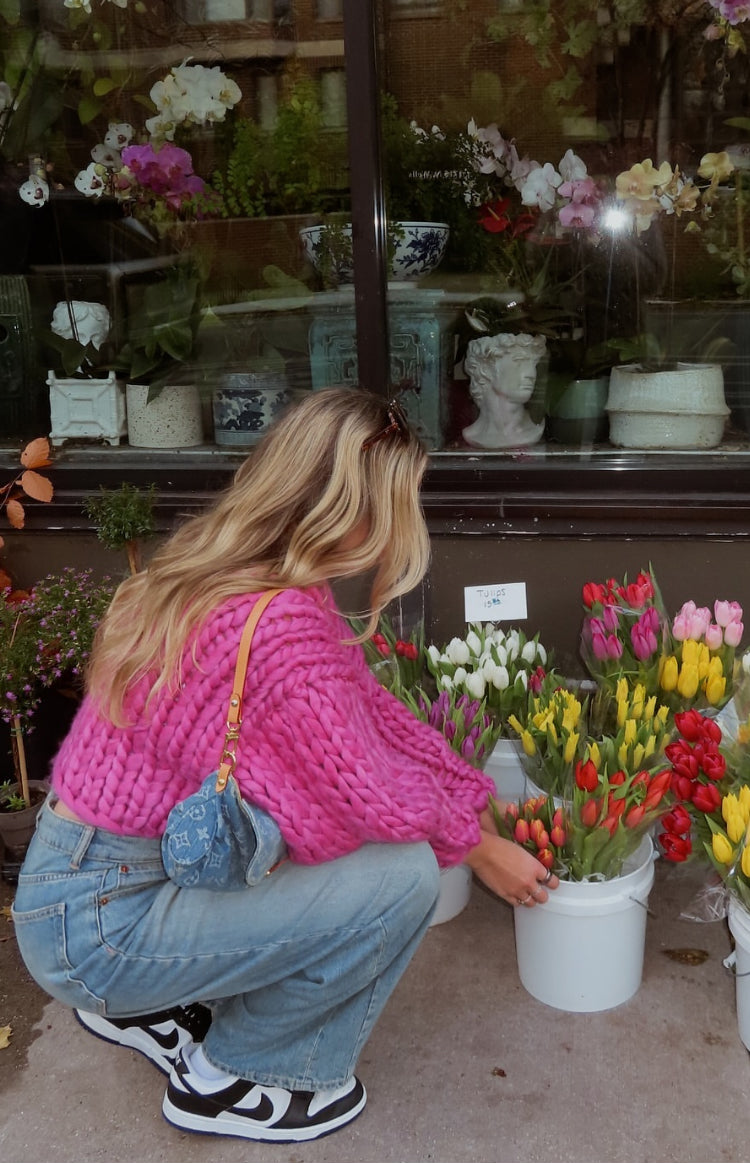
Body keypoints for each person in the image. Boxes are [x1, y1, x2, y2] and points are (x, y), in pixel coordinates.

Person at [12, 387, 558, 1145]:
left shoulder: (221, 566)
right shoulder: (277, 625)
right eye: (397, 503)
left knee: (321, 853)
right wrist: (479, 846)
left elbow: (370, 715)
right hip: (104, 924)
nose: (402, 524)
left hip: (76, 885)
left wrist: (471, 796)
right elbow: (365, 801)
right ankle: (243, 1076)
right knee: (400, 878)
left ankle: (150, 1004)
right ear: (350, 508)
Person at [462, 331, 547, 448]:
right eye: (518, 361)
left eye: (533, 364)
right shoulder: (472, 434)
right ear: (487, 369)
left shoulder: (535, 430)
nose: (531, 374)